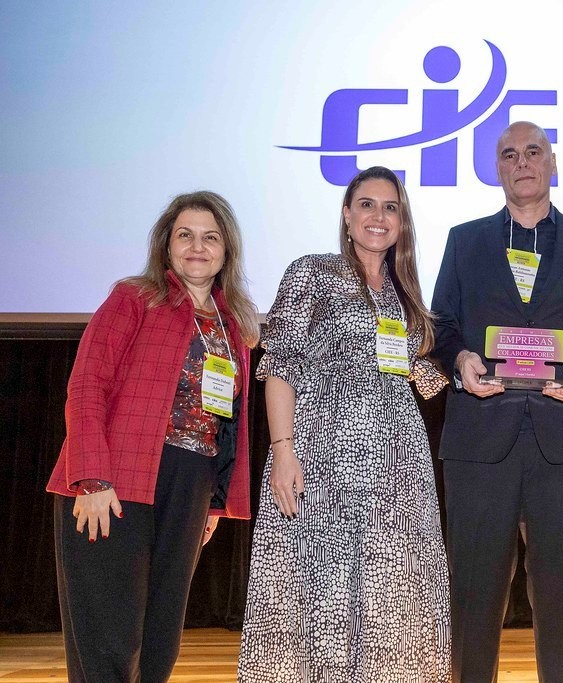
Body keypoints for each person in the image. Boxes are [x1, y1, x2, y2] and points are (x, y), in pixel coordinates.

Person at [238, 166, 450, 681]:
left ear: (402, 221)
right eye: (367, 204)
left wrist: (487, 371)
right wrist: (283, 449)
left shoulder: (403, 293)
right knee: (321, 590)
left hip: (397, 470)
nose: (379, 216)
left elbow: (418, 376)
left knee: (391, 591)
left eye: (391, 207)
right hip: (322, 459)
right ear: (347, 214)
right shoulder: (312, 272)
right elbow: (280, 364)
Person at [430, 121, 563, 681]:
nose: (522, 162)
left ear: (553, 162)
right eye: (509, 154)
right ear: (497, 168)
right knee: (473, 597)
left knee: (562, 598)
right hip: (479, 441)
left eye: (533, 151)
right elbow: (442, 325)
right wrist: (461, 360)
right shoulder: (464, 240)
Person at [46, 191, 260, 682]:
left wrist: (213, 503)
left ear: (227, 250)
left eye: (210, 237)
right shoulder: (134, 299)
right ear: (166, 245)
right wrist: (92, 478)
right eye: (185, 235)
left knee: (160, 638)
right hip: (117, 479)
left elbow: (225, 422)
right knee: (110, 638)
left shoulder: (234, 324)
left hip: (191, 485)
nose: (197, 247)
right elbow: (87, 384)